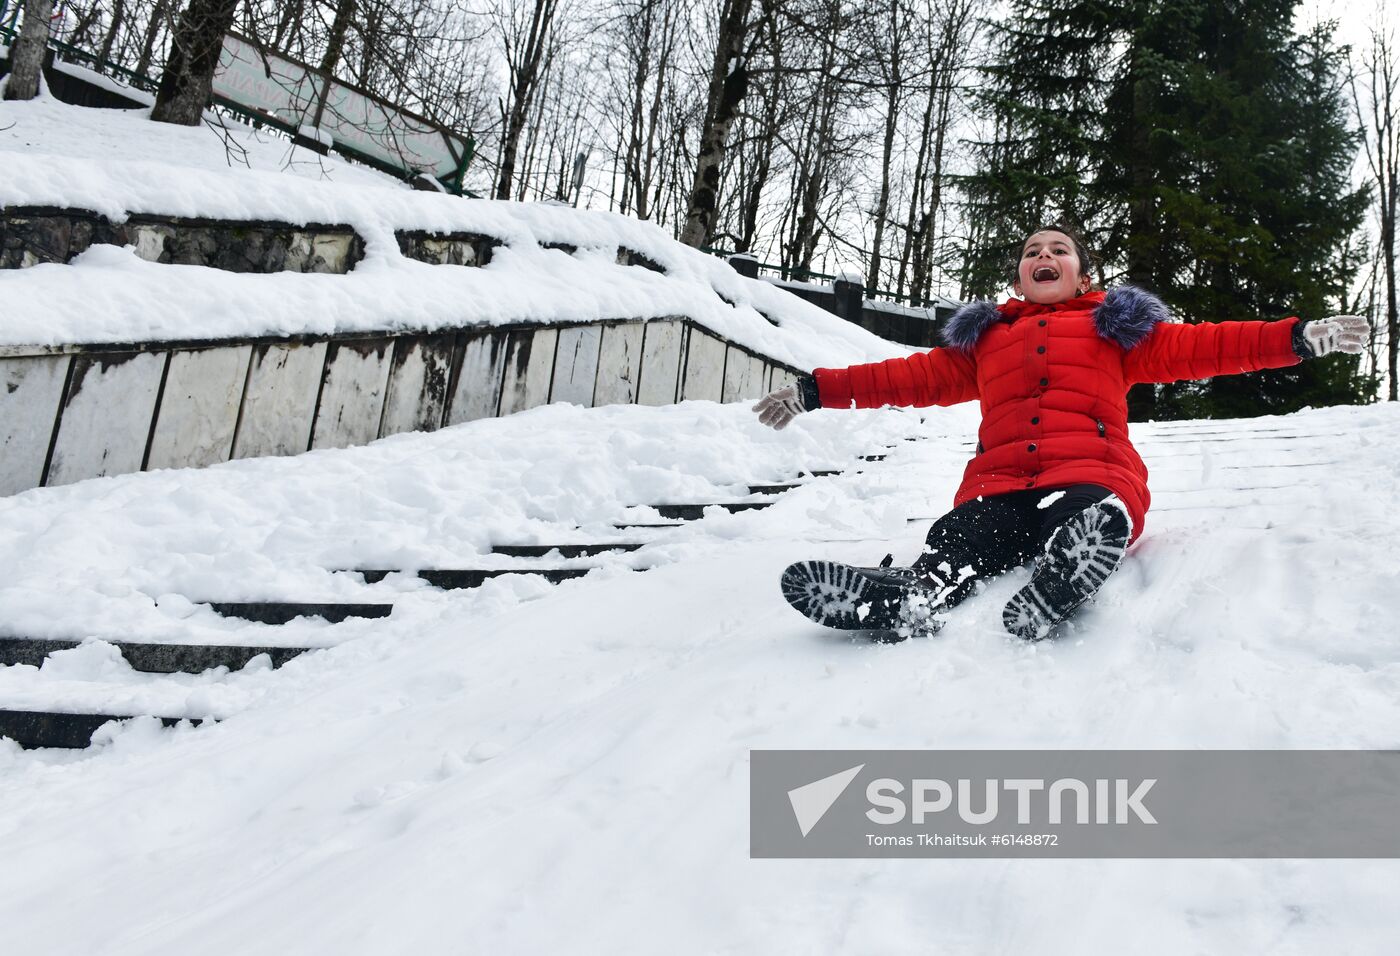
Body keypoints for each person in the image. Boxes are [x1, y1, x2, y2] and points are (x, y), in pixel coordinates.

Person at [752, 225, 1369, 641]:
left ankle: (1066, 571)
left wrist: (1294, 338)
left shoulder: (1116, 330)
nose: (1043, 257)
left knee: (1092, 514)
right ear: (1020, 279)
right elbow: (906, 376)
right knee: (959, 541)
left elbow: (1210, 344)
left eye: (1059, 250)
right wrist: (815, 389)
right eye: (1031, 253)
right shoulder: (984, 340)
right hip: (997, 485)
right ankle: (911, 596)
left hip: (1088, 473)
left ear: (1081, 275)